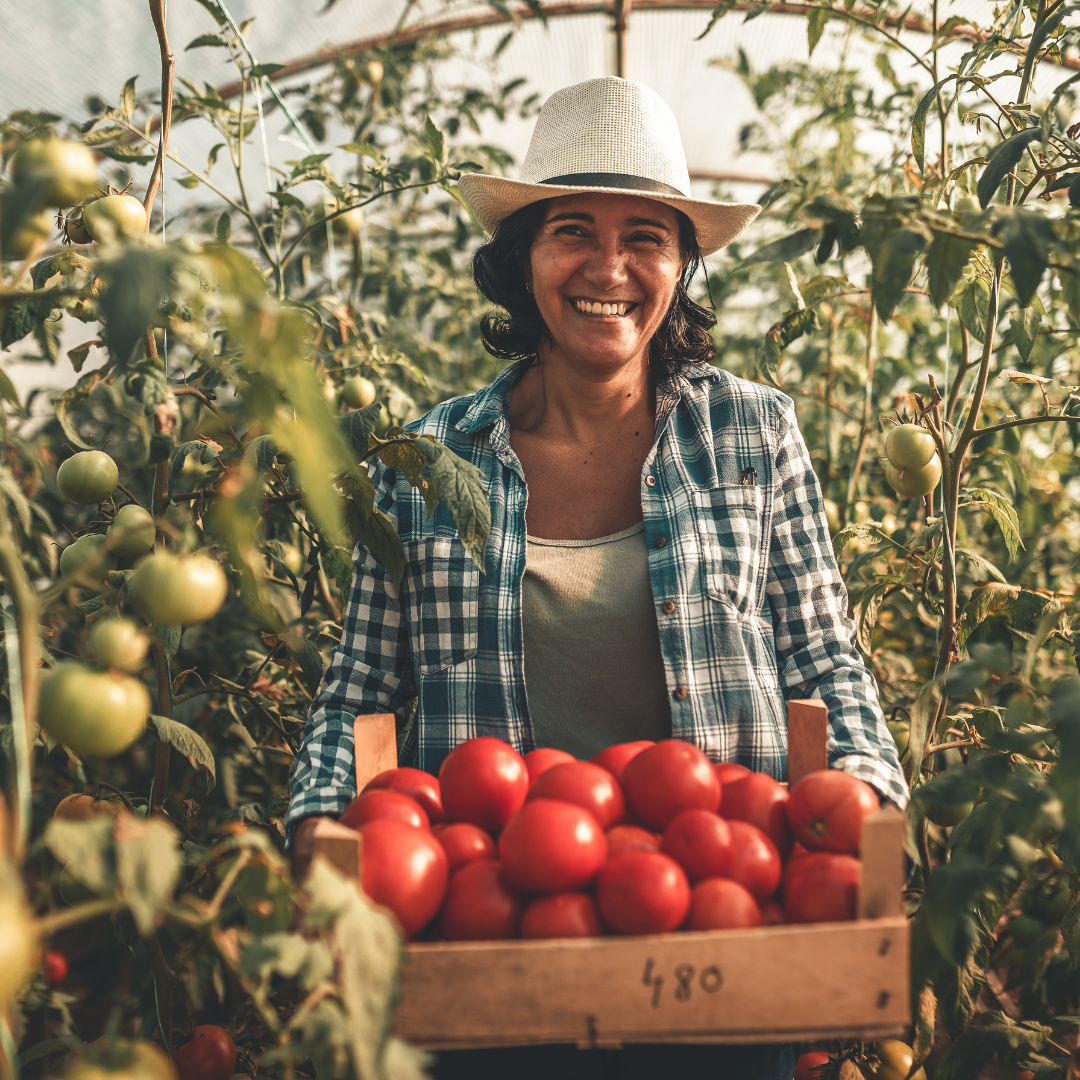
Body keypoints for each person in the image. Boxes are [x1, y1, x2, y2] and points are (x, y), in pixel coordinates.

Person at [287, 76, 906, 1080]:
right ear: (522, 258)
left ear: (681, 267)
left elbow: (826, 661)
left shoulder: (750, 434)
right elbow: (356, 694)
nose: (608, 268)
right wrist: (322, 830)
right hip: (484, 952)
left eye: (646, 239)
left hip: (719, 945)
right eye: (572, 229)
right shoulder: (428, 457)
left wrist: (869, 804)